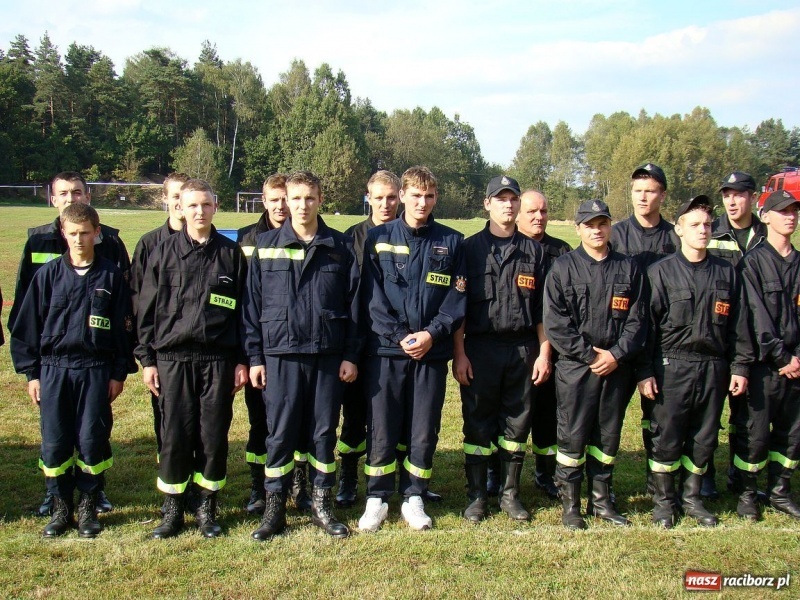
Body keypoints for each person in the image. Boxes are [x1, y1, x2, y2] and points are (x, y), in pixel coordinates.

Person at [244, 170, 360, 540]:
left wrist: (350, 355)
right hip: (280, 354)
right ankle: (274, 508)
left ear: (320, 200)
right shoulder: (266, 245)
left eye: (310, 197)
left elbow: (355, 306)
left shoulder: (340, 246)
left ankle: (322, 505)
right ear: (286, 200)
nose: (302, 205)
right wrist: (255, 357)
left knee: (323, 433)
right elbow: (251, 306)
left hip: (327, 353)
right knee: (279, 434)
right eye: (296, 198)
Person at [9, 171, 130, 517]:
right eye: (73, 233)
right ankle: (60, 503)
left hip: (95, 369)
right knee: (55, 438)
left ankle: (90, 502)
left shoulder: (111, 275)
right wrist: (32, 373)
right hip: (54, 370)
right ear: (64, 233)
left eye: (85, 233)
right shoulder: (47, 275)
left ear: (96, 232)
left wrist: (119, 371)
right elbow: (27, 325)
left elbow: (124, 329)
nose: (79, 239)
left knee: (93, 437)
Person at [135, 179, 248, 539]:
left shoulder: (231, 254)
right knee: (175, 435)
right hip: (173, 359)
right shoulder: (162, 252)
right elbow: (145, 313)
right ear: (180, 209)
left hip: (217, 360)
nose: (200, 212)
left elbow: (244, 313)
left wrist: (241, 360)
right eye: (192, 205)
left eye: (206, 204)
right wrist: (148, 360)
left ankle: (206, 507)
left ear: (215, 206)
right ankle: (172, 509)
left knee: (213, 436)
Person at [358, 166, 467, 532]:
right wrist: (400, 335)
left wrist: (431, 335)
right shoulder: (378, 238)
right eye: (416, 195)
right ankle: (377, 497)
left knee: (423, 428)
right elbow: (371, 297)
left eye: (429, 196)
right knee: (382, 427)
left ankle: (414, 495)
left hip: (430, 353)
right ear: (402, 195)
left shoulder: (453, 241)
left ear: (436, 198)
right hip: (387, 352)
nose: (422, 202)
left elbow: (456, 298)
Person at [638, 195, 751, 528]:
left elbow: (739, 326)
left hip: (713, 365)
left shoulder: (726, 273)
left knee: (704, 437)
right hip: (672, 365)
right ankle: (664, 501)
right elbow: (646, 328)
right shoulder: (660, 273)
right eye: (695, 225)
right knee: (667, 436)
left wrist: (740, 366)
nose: (703, 230)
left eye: (707, 225)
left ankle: (692, 497)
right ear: (679, 229)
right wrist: (644, 371)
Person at [544, 199, 646, 530]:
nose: (597, 230)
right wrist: (590, 355)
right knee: (572, 437)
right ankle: (571, 504)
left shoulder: (629, 268)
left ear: (610, 226)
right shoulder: (563, 268)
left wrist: (615, 355)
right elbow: (556, 324)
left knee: (607, 437)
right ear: (578, 229)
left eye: (602, 223)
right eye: (589, 225)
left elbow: (638, 320)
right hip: (576, 368)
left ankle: (602, 501)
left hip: (616, 368)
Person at [453, 176, 549, 523]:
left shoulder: (535, 252)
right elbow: (458, 308)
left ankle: (510, 494)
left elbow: (542, 311)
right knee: (478, 424)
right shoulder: (468, 250)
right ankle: (477, 495)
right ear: (487, 204)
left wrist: (544, 353)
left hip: (522, 349)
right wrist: (459, 354)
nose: (508, 205)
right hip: (480, 348)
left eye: (513, 199)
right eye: (501, 199)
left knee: (517, 426)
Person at [610, 163, 677, 497]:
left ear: (662, 195)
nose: (642, 197)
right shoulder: (616, 235)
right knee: (610, 416)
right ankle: (603, 484)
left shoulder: (675, 237)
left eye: (650, 191)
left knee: (659, 417)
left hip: (662, 340)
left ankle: (657, 482)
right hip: (623, 338)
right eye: (637, 190)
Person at [336, 170, 400, 508]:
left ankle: (404, 482)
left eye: (391, 197)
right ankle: (348, 477)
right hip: (358, 339)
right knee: (354, 413)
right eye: (379, 198)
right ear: (368, 197)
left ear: (399, 197)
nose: (385, 204)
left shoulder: (408, 233)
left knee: (397, 415)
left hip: (394, 342)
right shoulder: (351, 238)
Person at [736, 190, 800, 521]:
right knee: (755, 434)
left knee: (792, 433)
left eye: (794, 211)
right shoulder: (754, 263)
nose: (790, 217)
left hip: (797, 367)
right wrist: (782, 357)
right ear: (766, 217)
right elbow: (755, 316)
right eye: (783, 211)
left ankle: (780, 490)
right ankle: (747, 493)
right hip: (765, 367)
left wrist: (797, 357)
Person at [707, 171, 767, 498]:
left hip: (757, 336)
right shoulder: (711, 231)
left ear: (753, 197)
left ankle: (739, 474)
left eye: (739, 194)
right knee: (709, 412)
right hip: (719, 334)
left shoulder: (766, 234)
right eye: (727, 195)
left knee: (746, 415)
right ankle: (705, 474)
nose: (732, 201)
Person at [235, 174, 290, 515]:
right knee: (260, 422)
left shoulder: (307, 235)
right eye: (274, 199)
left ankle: (296, 483)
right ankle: (259, 485)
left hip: (290, 344)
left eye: (285, 198)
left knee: (295, 421)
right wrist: (245, 353)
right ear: (264, 200)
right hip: (256, 343)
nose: (281, 206)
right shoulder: (246, 239)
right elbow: (243, 298)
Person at [129, 172, 189, 466]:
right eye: (175, 196)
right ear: (165, 198)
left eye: (185, 196)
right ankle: (169, 475)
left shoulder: (211, 244)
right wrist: (147, 357)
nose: (180, 203)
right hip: (163, 354)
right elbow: (139, 304)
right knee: (166, 420)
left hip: (203, 356)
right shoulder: (150, 244)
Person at [517, 189, 572, 500]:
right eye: (532, 212)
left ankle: (545, 473)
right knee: (512, 412)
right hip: (519, 343)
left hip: (556, 346)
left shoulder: (561, 251)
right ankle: (499, 474)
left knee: (548, 413)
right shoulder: (511, 247)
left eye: (544, 211)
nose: (539, 217)